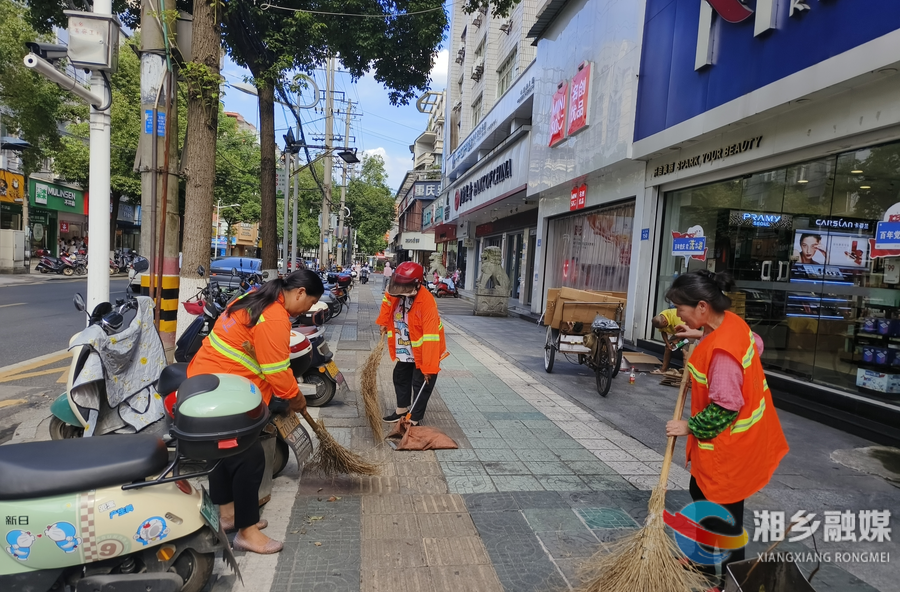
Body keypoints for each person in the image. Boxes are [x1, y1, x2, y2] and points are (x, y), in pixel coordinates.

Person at [665, 270, 788, 589]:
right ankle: (702, 560)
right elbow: (756, 344)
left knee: (727, 522)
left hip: (729, 450)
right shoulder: (732, 323)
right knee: (699, 493)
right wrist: (698, 334)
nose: (678, 314)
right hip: (729, 445)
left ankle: (730, 583)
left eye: (680, 308)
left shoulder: (722, 354)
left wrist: (688, 426)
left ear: (702, 307)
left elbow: (725, 407)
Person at [187, 270, 324, 554]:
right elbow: (277, 371)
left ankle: (227, 515)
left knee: (223, 455)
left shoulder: (256, 296)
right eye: (310, 303)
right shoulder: (274, 317)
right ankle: (247, 533)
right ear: (300, 293)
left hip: (207, 382)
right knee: (249, 460)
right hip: (224, 392)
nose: (306, 310)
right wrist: (296, 398)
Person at [377, 261, 447, 425]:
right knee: (400, 375)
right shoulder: (396, 289)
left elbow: (430, 338)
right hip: (406, 345)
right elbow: (388, 301)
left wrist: (428, 368)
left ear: (417, 284)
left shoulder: (427, 302)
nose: (400, 292)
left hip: (425, 349)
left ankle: (414, 418)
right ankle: (402, 410)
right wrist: (384, 322)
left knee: (420, 382)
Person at [651, 307, 686, 373]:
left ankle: (685, 374)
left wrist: (677, 340)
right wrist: (667, 343)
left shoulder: (676, 317)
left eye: (663, 327)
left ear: (664, 322)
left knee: (685, 351)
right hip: (678, 333)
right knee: (668, 348)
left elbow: (685, 330)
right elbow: (663, 332)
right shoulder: (660, 319)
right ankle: (663, 370)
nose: (663, 328)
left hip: (689, 331)